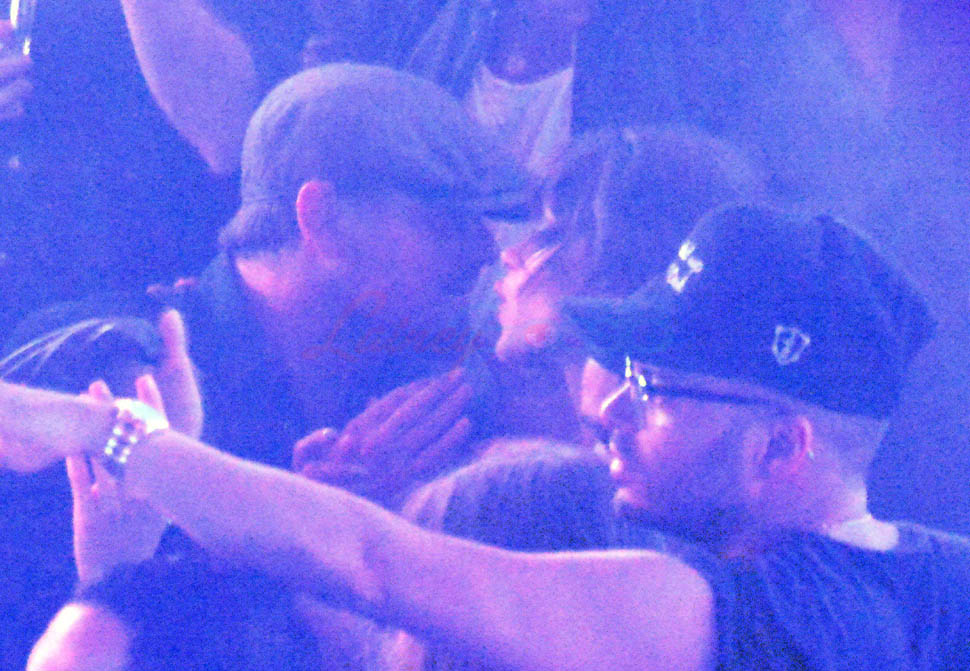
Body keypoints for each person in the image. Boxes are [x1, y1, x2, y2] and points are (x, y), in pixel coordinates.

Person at [6, 203, 967, 669]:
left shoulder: (762, 620)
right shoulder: (939, 580)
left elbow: (377, 565)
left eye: (656, 390)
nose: (610, 408)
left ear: (782, 449)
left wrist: (114, 432)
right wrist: (128, 565)